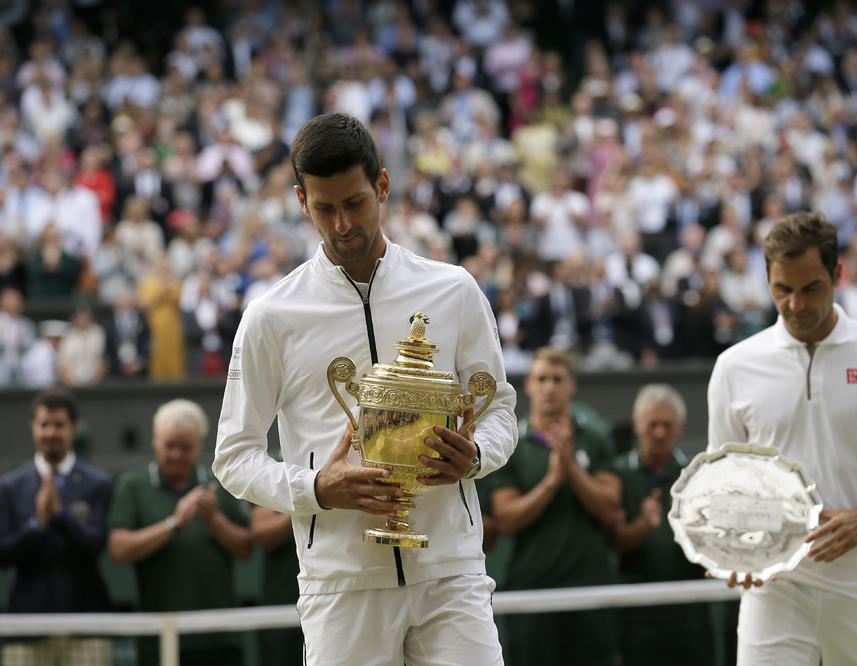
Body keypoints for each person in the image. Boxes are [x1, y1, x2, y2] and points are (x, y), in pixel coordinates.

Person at [212, 112, 518, 665]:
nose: (342, 224)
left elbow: (500, 412)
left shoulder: (454, 290)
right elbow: (233, 457)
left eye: (354, 203)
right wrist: (315, 487)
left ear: (382, 185)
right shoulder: (270, 316)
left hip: (451, 573)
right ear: (302, 202)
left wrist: (474, 457)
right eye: (324, 209)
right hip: (340, 585)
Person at [706, 212, 857, 664]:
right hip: (775, 593)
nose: (796, 304)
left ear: (838, 274)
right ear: (766, 280)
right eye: (782, 289)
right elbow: (723, 483)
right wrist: (730, 544)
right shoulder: (733, 366)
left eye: (810, 288)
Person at [490, 347, 620, 666]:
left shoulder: (595, 435)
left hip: (590, 587)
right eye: (542, 379)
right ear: (529, 386)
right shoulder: (510, 444)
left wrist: (571, 468)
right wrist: (551, 481)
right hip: (532, 588)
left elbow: (609, 510)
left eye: (557, 379)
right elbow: (506, 520)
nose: (550, 387)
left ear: (571, 385)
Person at [107, 399, 252, 666]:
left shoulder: (219, 483)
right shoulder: (132, 485)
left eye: (185, 447)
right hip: (159, 636)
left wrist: (214, 520)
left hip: (219, 637)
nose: (176, 455)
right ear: (155, 441)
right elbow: (119, 549)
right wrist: (174, 523)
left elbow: (245, 549)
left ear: (199, 444)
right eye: (169, 445)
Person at [0, 389, 113, 665]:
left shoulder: (99, 483)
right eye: (44, 425)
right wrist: (37, 524)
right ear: (33, 428)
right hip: (26, 629)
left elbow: (95, 544)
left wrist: (59, 515)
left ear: (73, 429)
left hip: (85, 627)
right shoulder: (9, 487)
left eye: (59, 425)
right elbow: (3, 553)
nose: (51, 432)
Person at [610, 383, 715, 665]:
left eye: (667, 425)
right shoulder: (616, 473)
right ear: (637, 425)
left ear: (680, 427)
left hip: (690, 615)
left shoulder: (699, 474)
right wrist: (642, 526)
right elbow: (612, 543)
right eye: (653, 424)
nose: (659, 433)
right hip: (635, 617)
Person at [250, 502, 304, 665]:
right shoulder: (276, 477)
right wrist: (308, 505)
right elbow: (263, 535)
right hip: (282, 605)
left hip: (330, 601)